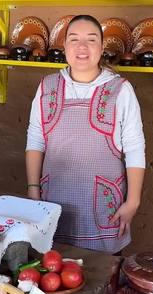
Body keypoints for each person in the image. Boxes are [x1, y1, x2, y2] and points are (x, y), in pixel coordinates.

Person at [25, 15, 145, 254]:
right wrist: (32, 188)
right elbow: (36, 139)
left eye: (91, 40)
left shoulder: (120, 89)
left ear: (101, 48)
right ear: (65, 47)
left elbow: (134, 148)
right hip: (52, 199)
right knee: (53, 269)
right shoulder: (47, 86)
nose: (82, 47)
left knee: (102, 277)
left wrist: (133, 202)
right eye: (74, 39)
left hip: (102, 206)